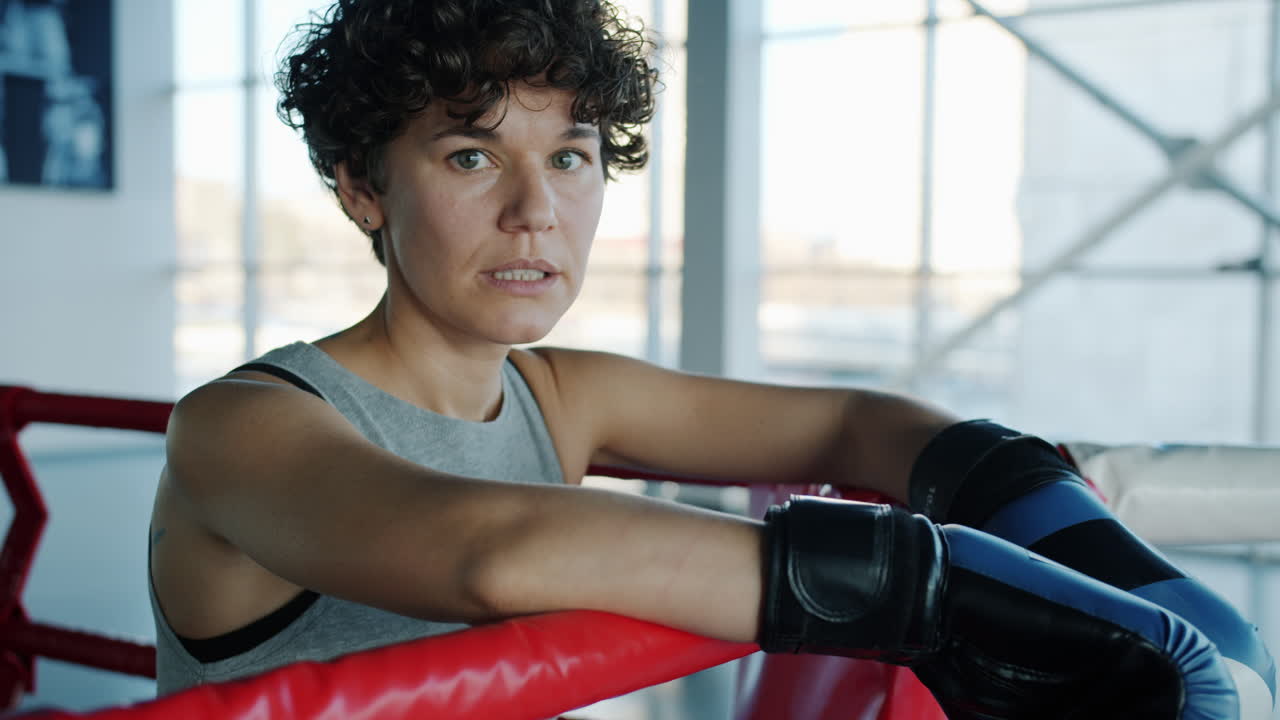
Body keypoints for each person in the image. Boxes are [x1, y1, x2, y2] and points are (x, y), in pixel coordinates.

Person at [149, 0, 1270, 717]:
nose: (537, 211)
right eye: (469, 153)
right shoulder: (242, 425)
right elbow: (484, 548)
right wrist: (935, 595)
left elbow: (852, 425)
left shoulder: (560, 396)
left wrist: (1068, 538)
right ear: (360, 187)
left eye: (573, 156)